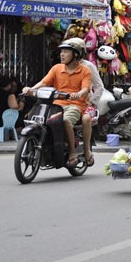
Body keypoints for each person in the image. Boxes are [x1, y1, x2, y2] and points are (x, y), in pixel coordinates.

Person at [22, 40, 92, 168]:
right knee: (38, 119)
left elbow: (86, 88)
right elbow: (44, 83)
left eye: (66, 52)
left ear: (75, 54)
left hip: (75, 105)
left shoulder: (85, 70)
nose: (62, 54)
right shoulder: (56, 68)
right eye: (61, 52)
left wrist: (79, 94)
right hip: (56, 104)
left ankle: (72, 152)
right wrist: (30, 89)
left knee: (65, 121)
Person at [65, 37, 104, 165]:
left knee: (86, 119)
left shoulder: (88, 67)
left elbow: (99, 86)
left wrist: (92, 102)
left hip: (86, 103)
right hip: (66, 103)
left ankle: (86, 149)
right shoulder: (62, 66)